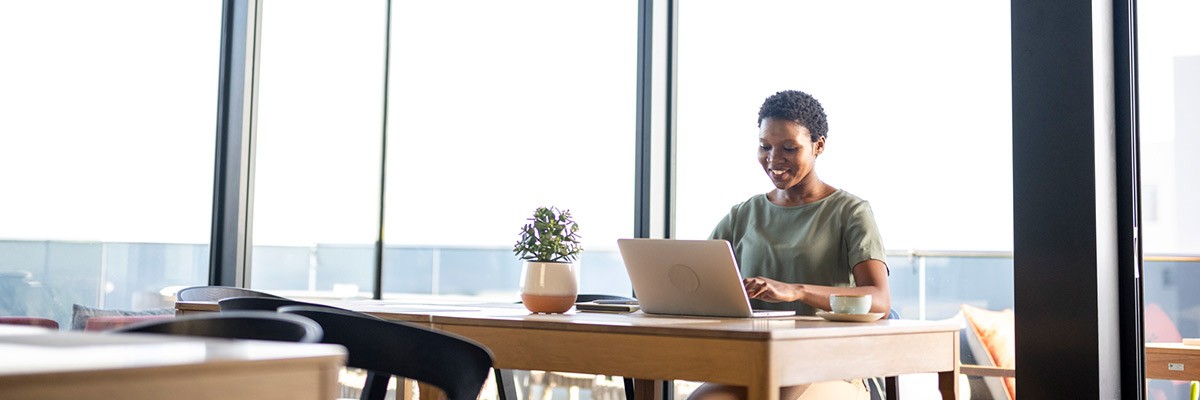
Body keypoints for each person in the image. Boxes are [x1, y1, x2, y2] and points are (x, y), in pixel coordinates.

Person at [687, 90, 890, 400]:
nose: (773, 159)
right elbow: (697, 281)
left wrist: (798, 290)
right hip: (755, 361)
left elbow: (878, 300)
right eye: (765, 146)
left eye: (789, 148)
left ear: (818, 146)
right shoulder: (743, 214)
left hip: (829, 362)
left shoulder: (850, 212)